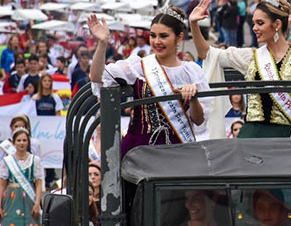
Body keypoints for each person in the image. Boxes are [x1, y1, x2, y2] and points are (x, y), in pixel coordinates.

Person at [189, 0, 291, 139]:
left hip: (285, 138)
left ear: (277, 24)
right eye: (254, 23)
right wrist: (194, 24)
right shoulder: (251, 56)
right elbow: (207, 53)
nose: (254, 28)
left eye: (260, 23)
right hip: (251, 135)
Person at [88, 8, 210, 158]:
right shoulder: (138, 66)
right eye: (153, 36)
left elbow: (198, 121)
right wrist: (102, 43)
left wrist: (193, 99)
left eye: (163, 36)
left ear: (179, 37)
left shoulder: (192, 71)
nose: (157, 42)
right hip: (139, 148)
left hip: (178, 148)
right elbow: (97, 76)